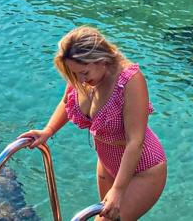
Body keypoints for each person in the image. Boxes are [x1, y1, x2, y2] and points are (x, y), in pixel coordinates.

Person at [19, 26, 166, 220]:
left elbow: (135, 142)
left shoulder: (130, 81)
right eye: (75, 74)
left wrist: (118, 190)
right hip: (107, 163)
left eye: (84, 72)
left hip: (142, 169)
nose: (81, 79)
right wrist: (48, 131)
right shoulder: (82, 74)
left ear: (101, 60)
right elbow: (67, 102)